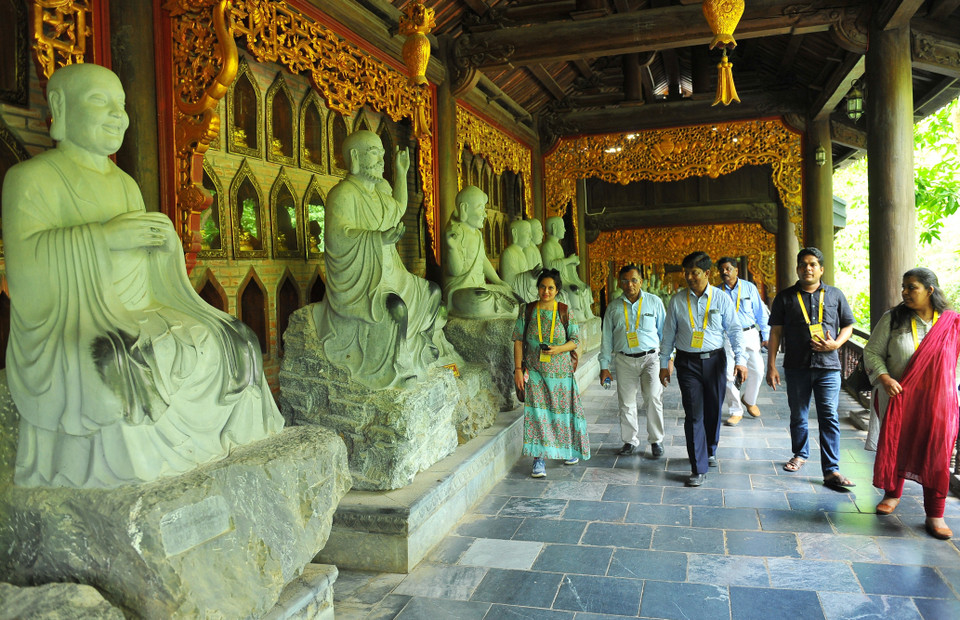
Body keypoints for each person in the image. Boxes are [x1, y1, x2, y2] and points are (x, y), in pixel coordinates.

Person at [2, 63, 283, 488]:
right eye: (102, 102)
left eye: (123, 105)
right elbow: (26, 266)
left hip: (140, 305)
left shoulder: (125, 184)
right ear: (60, 107)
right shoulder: (31, 179)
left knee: (235, 338)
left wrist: (162, 244)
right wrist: (104, 237)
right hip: (76, 316)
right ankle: (148, 469)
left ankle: (228, 444)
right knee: (122, 357)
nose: (119, 115)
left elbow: (147, 271)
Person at [312, 129, 460, 389]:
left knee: (433, 292)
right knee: (395, 309)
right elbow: (336, 237)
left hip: (393, 275)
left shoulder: (379, 196)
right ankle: (395, 365)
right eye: (373, 153)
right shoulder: (343, 194)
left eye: (381, 153)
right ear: (355, 157)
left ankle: (421, 351)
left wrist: (401, 173)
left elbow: (398, 209)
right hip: (364, 284)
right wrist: (377, 239)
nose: (381, 159)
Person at [862, 268, 960, 539]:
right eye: (903, 286)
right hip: (898, 397)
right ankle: (892, 494)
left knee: (936, 454)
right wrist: (884, 377)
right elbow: (872, 352)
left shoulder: (952, 323)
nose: (904, 292)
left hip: (937, 403)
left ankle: (935, 514)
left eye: (911, 287)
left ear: (930, 290)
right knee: (896, 444)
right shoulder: (893, 319)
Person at [766, 247, 855, 489]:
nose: (808, 268)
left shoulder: (835, 295)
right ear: (797, 269)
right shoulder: (785, 297)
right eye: (803, 264)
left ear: (821, 269)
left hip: (828, 367)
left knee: (829, 416)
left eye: (813, 264)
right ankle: (800, 454)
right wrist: (771, 365)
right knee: (799, 415)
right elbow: (775, 332)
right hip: (796, 366)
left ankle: (831, 469)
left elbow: (848, 326)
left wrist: (836, 343)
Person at [660, 252, 747, 486]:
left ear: (707, 273)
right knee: (694, 413)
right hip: (687, 363)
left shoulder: (720, 299)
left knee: (713, 410)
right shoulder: (677, 301)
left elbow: (735, 330)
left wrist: (741, 360)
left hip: (715, 361)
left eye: (694, 273)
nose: (689, 277)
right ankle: (697, 467)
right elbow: (668, 334)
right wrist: (663, 363)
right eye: (686, 273)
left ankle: (710, 448)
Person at [512, 269, 590, 477]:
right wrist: (518, 369)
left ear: (557, 290)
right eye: (542, 287)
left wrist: (558, 349)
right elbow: (518, 340)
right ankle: (539, 460)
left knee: (561, 413)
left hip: (560, 373)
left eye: (550, 288)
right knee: (537, 414)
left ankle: (566, 449)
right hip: (535, 371)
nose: (546, 291)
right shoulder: (527, 310)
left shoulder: (565, 310)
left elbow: (575, 340)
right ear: (537, 288)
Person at [599, 265, 666, 457]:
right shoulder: (613, 307)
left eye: (634, 280)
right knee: (626, 402)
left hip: (651, 358)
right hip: (624, 360)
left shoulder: (654, 302)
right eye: (625, 281)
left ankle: (656, 440)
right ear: (620, 283)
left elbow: (665, 333)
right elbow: (606, 339)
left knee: (653, 398)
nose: (630, 285)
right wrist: (604, 366)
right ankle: (629, 441)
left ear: (641, 281)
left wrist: (667, 360)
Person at [441, 185, 517, 318]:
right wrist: (452, 248)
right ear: (464, 208)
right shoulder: (455, 232)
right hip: (460, 291)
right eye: (480, 208)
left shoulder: (477, 234)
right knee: (480, 299)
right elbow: (455, 271)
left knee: (509, 292)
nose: (485, 214)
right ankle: (500, 307)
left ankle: (500, 305)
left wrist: (498, 281)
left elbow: (483, 260)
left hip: (480, 287)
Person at [717, 257, 770, 426]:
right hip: (727, 336)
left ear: (736, 270)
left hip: (749, 333)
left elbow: (761, 312)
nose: (725, 272)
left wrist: (766, 335)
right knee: (728, 374)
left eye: (728, 269)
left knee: (758, 370)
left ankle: (749, 399)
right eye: (722, 270)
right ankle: (735, 410)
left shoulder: (749, 288)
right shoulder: (716, 292)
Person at [540, 216, 595, 321]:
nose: (564, 230)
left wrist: (573, 262)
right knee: (574, 289)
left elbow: (561, 263)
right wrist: (569, 260)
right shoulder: (547, 246)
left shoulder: (557, 245)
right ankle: (577, 315)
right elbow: (550, 266)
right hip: (555, 280)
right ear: (554, 227)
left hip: (564, 277)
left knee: (586, 287)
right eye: (562, 227)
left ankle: (587, 312)